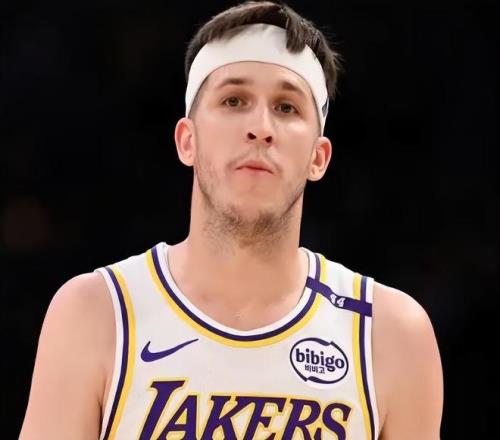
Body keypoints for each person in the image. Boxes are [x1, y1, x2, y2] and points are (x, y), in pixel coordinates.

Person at [20, 1, 443, 439]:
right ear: (187, 140)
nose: (260, 127)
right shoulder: (97, 314)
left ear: (318, 157)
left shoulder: (390, 336)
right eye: (234, 100)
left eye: (286, 107)